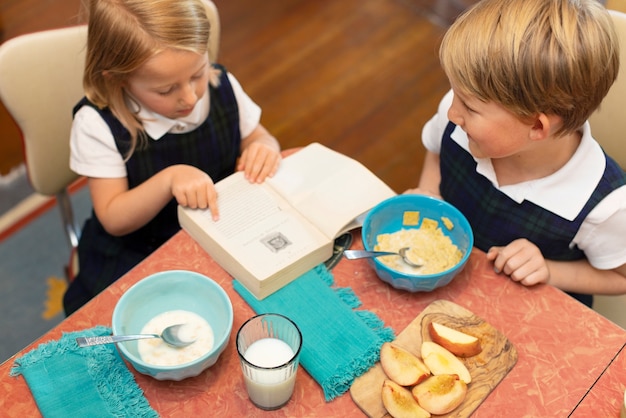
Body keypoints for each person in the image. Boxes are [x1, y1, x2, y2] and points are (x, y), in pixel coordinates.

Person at [63, 0, 281, 315]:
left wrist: (265, 146)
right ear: (117, 79)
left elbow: (259, 136)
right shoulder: (97, 124)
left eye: (197, 73)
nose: (190, 97)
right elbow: (113, 217)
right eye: (166, 90)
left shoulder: (221, 85)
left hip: (222, 234)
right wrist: (168, 179)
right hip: (140, 252)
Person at [406, 0, 626, 307]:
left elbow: (621, 277)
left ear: (537, 126)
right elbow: (436, 150)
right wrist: (430, 194)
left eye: (469, 106)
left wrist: (548, 270)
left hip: (529, 314)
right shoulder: (457, 119)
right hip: (448, 291)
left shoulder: (606, 205)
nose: (452, 111)